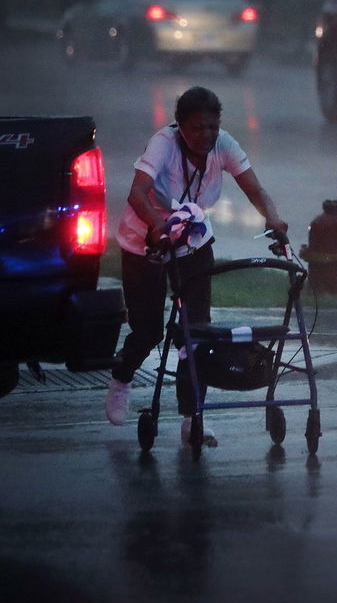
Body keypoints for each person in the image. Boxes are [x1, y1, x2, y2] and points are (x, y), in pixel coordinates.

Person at [105, 86, 288, 447]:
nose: (205, 136)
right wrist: (156, 225)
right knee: (149, 331)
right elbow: (137, 192)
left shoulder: (224, 145)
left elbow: (255, 188)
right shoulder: (163, 144)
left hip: (193, 240)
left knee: (196, 333)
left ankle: (193, 418)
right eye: (197, 128)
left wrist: (274, 220)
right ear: (180, 126)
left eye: (212, 128)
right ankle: (121, 377)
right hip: (148, 243)